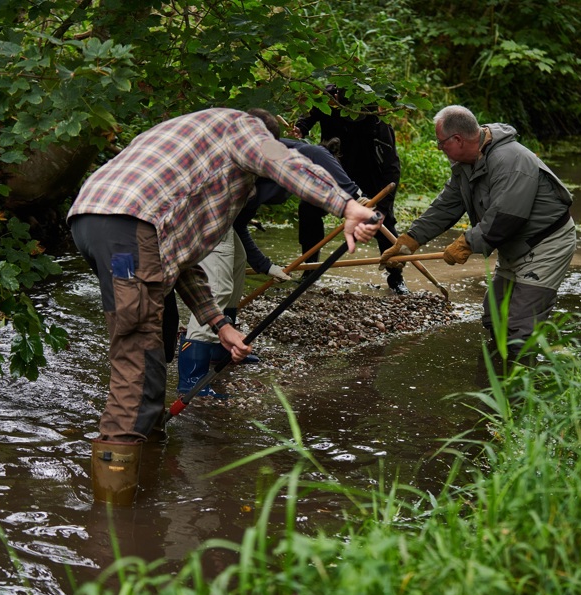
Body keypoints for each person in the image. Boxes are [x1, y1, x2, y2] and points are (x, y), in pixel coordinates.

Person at [67, 107, 382, 505]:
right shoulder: (242, 128)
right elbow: (283, 160)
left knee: (146, 354)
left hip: (95, 220)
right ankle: (114, 523)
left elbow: (178, 262)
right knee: (138, 359)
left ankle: (145, 473)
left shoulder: (195, 146)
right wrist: (345, 205)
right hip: (128, 224)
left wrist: (219, 324)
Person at [175, 113, 367, 402]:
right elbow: (320, 159)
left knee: (236, 270)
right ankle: (191, 378)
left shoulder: (278, 159)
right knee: (217, 288)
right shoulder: (244, 160)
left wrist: (266, 266)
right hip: (203, 214)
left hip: (226, 219)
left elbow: (239, 225)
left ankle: (219, 350)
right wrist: (354, 198)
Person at [380, 105, 576, 367]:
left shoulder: (511, 161)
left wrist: (466, 243)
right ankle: (497, 381)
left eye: (441, 144)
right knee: (494, 316)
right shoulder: (465, 164)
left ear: (458, 140)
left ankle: (520, 397)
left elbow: (507, 217)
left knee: (520, 326)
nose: (440, 149)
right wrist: (410, 241)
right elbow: (446, 206)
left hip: (546, 243)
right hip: (512, 243)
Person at [293, 85, 409, 294]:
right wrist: (302, 126)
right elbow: (313, 110)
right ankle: (309, 270)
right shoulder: (330, 99)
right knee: (308, 209)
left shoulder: (377, 122)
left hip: (369, 175)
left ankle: (396, 277)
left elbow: (391, 169)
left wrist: (381, 207)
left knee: (385, 224)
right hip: (334, 169)